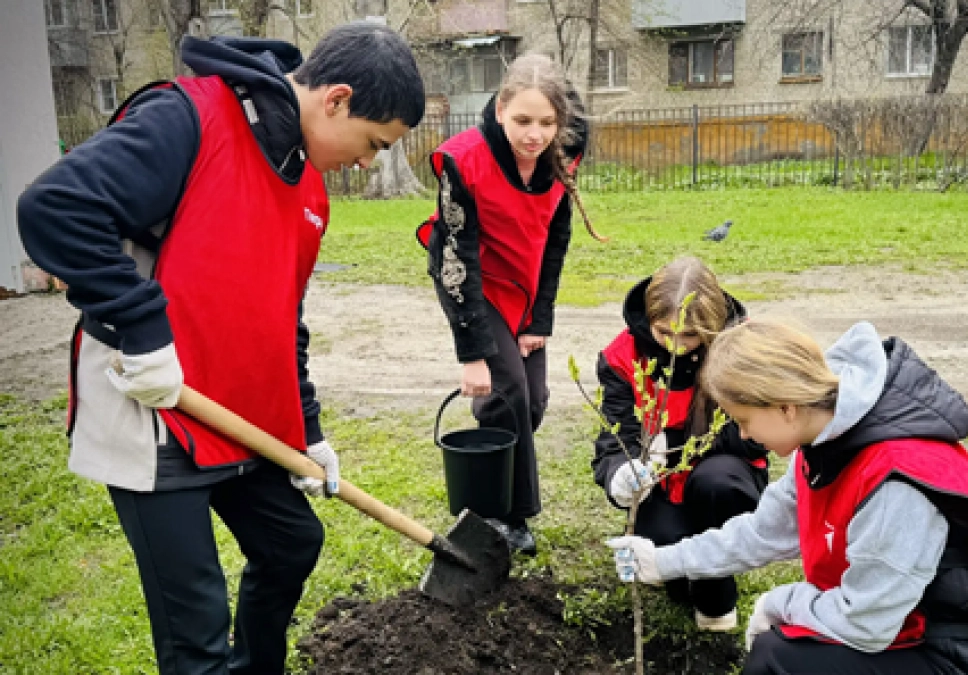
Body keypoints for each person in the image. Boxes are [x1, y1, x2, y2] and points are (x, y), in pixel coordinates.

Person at [17, 23, 424, 674]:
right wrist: (143, 330)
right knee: (196, 634)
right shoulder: (189, 118)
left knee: (292, 542)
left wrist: (308, 432)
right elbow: (55, 209)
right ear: (338, 100)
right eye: (374, 143)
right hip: (153, 407)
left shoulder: (309, 185)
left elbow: (281, 318)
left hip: (236, 411)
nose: (368, 163)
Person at [608, 321, 968, 675]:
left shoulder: (895, 480)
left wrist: (783, 601)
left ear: (786, 408)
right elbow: (761, 533)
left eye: (743, 418)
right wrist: (663, 561)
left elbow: (866, 623)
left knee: (779, 660)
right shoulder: (821, 439)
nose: (743, 433)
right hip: (909, 626)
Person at [418, 53, 599, 556]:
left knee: (530, 402)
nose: (534, 135)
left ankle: (492, 436)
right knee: (512, 394)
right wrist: (473, 352)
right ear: (499, 110)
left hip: (525, 295)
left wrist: (539, 317)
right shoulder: (463, 160)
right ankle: (510, 519)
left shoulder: (562, 156)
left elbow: (555, 239)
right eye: (522, 120)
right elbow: (455, 258)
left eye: (546, 122)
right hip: (476, 289)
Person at [593, 256, 768, 631]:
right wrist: (620, 475)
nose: (678, 347)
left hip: (723, 472)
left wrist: (674, 441)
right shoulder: (623, 357)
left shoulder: (741, 347)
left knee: (718, 486)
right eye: (665, 333)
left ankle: (717, 596)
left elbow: (753, 441)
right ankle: (678, 567)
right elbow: (616, 437)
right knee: (666, 561)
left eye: (690, 336)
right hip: (660, 483)